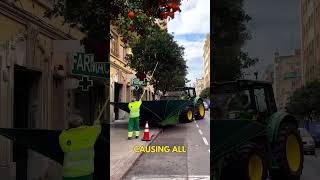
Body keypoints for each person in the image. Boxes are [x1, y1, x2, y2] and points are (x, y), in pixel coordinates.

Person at [59, 114, 101, 180]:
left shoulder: (63, 136)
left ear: (69, 125)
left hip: (69, 174)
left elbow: (63, 148)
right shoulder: (90, 132)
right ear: (82, 123)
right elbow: (98, 128)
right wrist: (96, 123)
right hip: (86, 173)